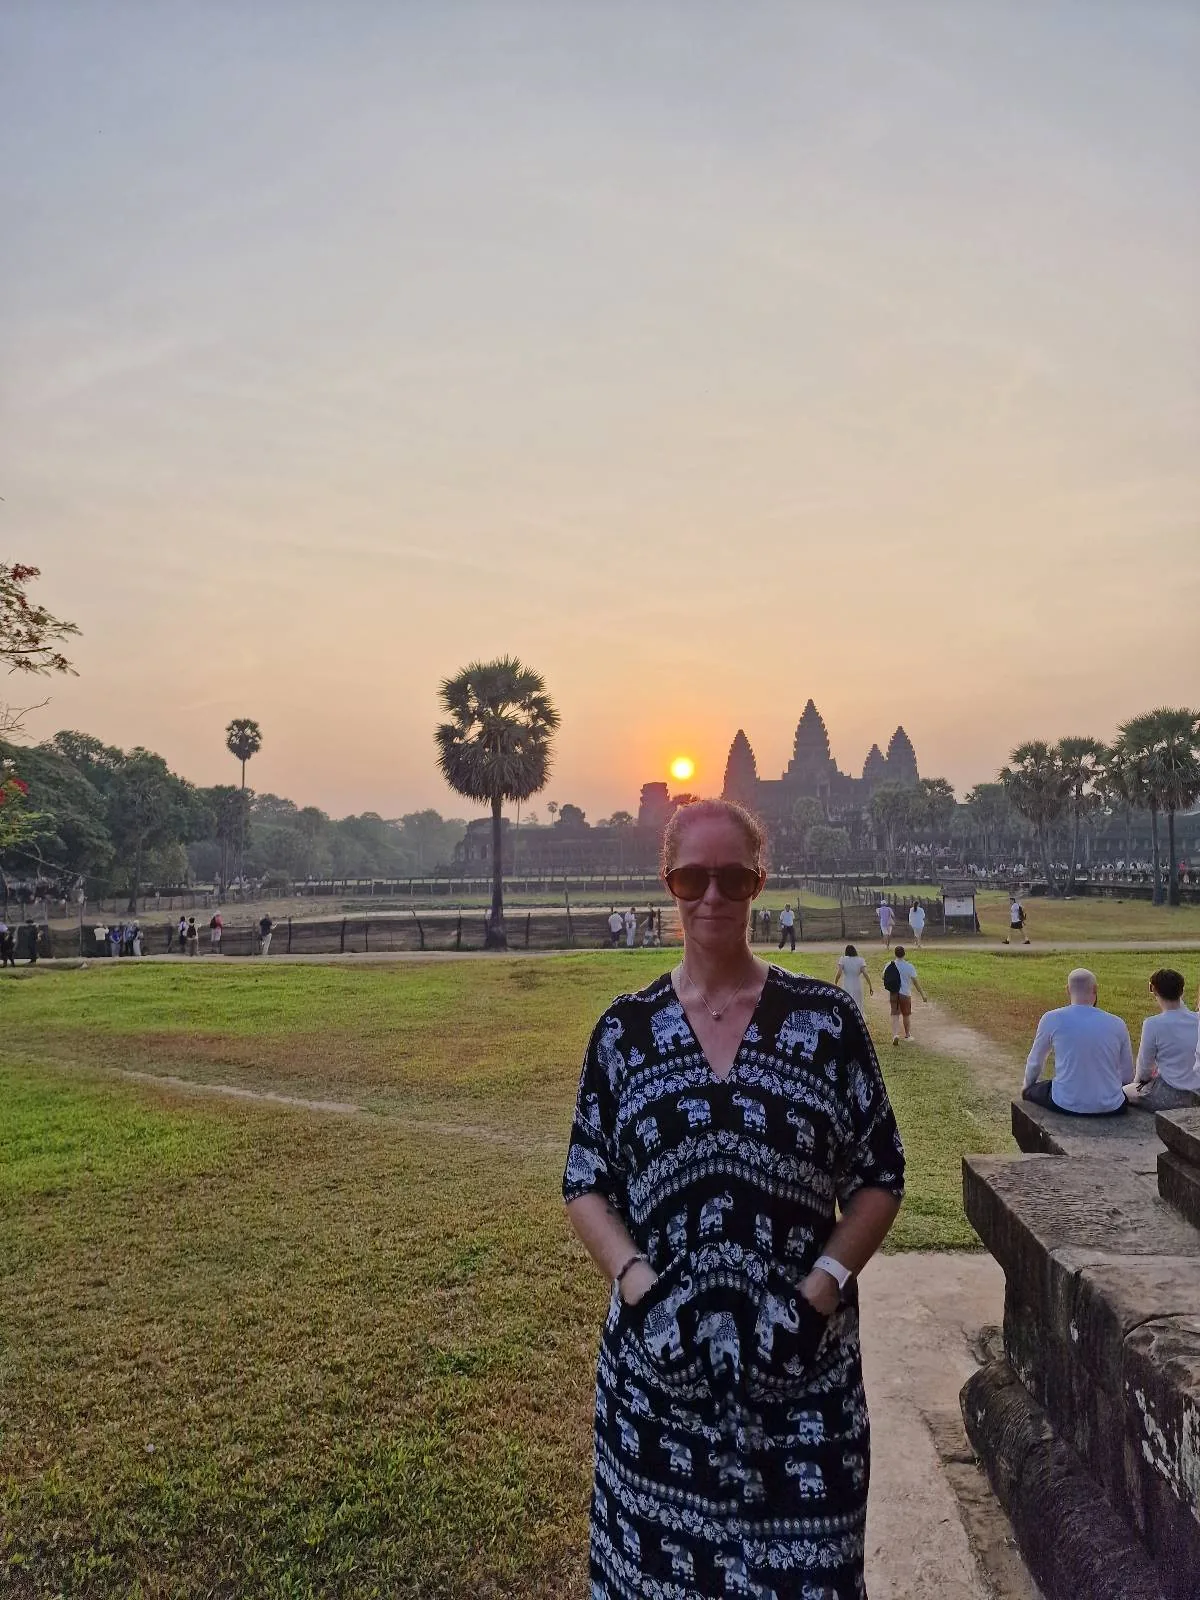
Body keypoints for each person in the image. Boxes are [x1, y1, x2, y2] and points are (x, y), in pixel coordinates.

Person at [563, 797, 905, 1599]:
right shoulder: (626, 1030)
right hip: (658, 1382)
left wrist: (818, 1294)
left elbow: (880, 1176)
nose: (711, 897)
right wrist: (640, 1289)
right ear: (668, 884)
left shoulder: (825, 1023)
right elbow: (585, 1180)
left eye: (732, 879)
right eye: (692, 878)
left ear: (760, 883)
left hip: (802, 1382)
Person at [1022, 969, 1134, 1115]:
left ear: (1068, 990)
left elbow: (1035, 1062)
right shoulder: (1117, 1023)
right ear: (1095, 989)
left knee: (1036, 1089)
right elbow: (1127, 1075)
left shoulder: (1052, 1018)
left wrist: (1026, 1088)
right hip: (1112, 1106)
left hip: (1065, 1103)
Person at [1124, 969, 1200, 1112]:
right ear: (1182, 991)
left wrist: (1138, 1084)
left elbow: (1144, 1071)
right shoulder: (1197, 1019)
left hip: (1171, 1095)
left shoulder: (1153, 1024)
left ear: (1154, 990)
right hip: (1197, 1092)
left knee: (1124, 1092)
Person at [882, 945, 927, 1045]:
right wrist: (922, 994)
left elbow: (883, 976)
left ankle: (895, 1035)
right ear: (904, 954)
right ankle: (907, 1035)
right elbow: (915, 982)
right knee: (906, 1015)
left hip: (894, 993)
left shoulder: (889, 964)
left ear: (895, 954)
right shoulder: (909, 966)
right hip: (905, 994)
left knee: (894, 1014)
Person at [835, 943, 873, 1014]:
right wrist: (870, 986)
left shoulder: (843, 959)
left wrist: (835, 982)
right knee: (858, 1003)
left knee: (846, 1002)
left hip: (846, 983)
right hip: (857, 984)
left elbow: (839, 972)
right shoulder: (860, 960)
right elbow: (865, 973)